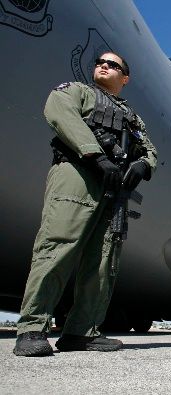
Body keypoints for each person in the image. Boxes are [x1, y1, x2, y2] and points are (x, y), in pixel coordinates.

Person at [13, 52, 157, 356]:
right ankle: (32, 328)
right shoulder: (77, 91)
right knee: (58, 246)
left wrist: (145, 164)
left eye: (112, 65)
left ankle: (82, 332)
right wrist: (95, 154)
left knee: (104, 259)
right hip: (78, 173)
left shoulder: (132, 116)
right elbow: (59, 111)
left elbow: (148, 147)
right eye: (100, 63)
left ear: (125, 77)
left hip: (114, 187)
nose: (103, 66)